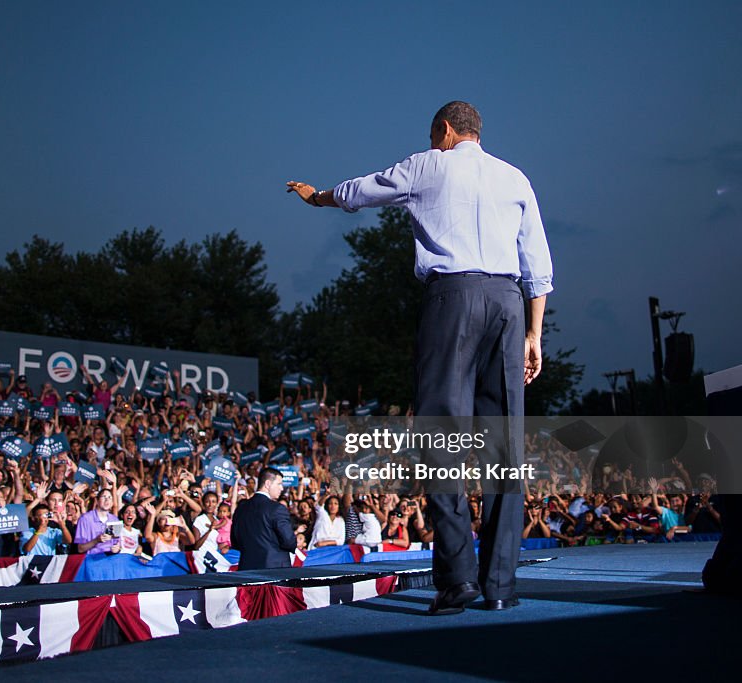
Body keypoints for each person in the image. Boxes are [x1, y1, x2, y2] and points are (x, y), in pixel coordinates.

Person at [288, 101, 553, 613]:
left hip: (451, 300)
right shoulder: (515, 177)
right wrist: (535, 333)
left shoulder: (427, 165)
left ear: (447, 130)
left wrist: (316, 198)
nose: (433, 142)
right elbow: (536, 260)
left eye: (435, 135)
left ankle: (458, 582)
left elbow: (361, 191)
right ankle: (501, 586)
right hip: (507, 304)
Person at [230, 467, 297, 570]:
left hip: (247, 570)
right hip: (274, 572)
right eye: (279, 484)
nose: (282, 488)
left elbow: (235, 541)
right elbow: (289, 541)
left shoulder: (241, 508)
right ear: (268, 484)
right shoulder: (277, 508)